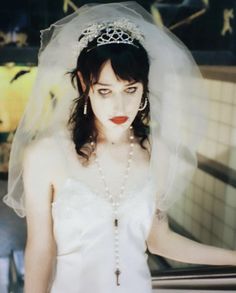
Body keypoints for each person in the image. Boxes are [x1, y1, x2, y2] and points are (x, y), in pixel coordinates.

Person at [3, 2, 236, 293]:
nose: (120, 106)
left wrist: (232, 257)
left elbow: (159, 240)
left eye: (131, 89)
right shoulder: (45, 155)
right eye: (105, 91)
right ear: (83, 83)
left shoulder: (156, 153)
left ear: (144, 88)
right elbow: (40, 248)